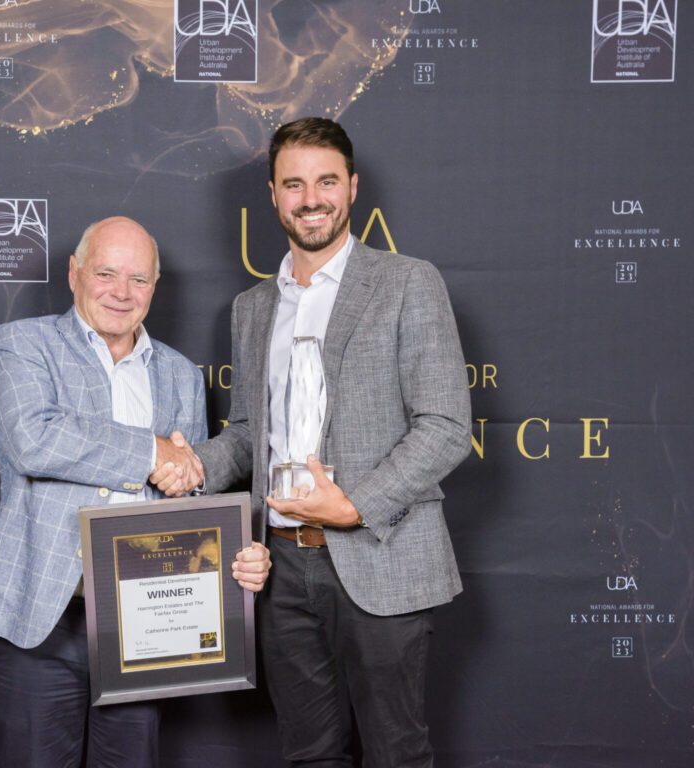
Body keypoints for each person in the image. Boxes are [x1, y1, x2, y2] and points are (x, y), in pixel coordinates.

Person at [155, 118, 471, 767]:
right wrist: (189, 464)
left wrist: (352, 506)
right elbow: (249, 435)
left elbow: (445, 426)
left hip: (382, 560)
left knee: (397, 754)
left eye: (326, 181)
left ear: (352, 187)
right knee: (308, 755)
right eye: (294, 184)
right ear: (273, 195)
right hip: (281, 572)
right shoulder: (251, 308)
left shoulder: (408, 282)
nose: (311, 199)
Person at [0, 216, 270, 768]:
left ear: (154, 287)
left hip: (144, 625)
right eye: (105, 273)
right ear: (74, 273)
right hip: (42, 619)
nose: (121, 292)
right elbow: (34, 440)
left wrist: (238, 553)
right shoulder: (23, 344)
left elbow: (185, 500)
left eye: (138, 279)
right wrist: (152, 453)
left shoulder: (179, 374)